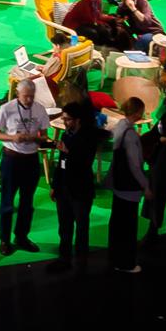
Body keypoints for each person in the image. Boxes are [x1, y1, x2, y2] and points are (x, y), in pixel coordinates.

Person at [0, 78, 50, 254]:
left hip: (31, 160)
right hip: (12, 159)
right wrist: (13, 138)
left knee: (28, 203)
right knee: (7, 203)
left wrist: (37, 138)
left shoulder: (39, 109)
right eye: (26, 96)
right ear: (18, 94)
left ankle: (22, 236)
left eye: (32, 97)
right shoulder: (6, 109)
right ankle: (4, 240)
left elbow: (44, 135)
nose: (29, 100)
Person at [49, 101, 100, 272]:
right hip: (64, 189)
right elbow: (60, 163)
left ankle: (81, 263)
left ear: (78, 120)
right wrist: (55, 186)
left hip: (80, 190)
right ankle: (64, 259)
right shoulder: (66, 135)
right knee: (64, 227)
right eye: (63, 119)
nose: (65, 122)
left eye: (68, 119)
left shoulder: (88, 137)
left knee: (81, 228)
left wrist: (68, 151)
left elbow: (85, 163)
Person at [106, 95, 150, 272]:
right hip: (129, 189)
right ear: (138, 112)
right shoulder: (131, 135)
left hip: (117, 185)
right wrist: (145, 185)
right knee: (128, 227)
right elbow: (134, 165)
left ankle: (115, 259)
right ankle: (126, 263)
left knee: (117, 224)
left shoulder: (120, 126)